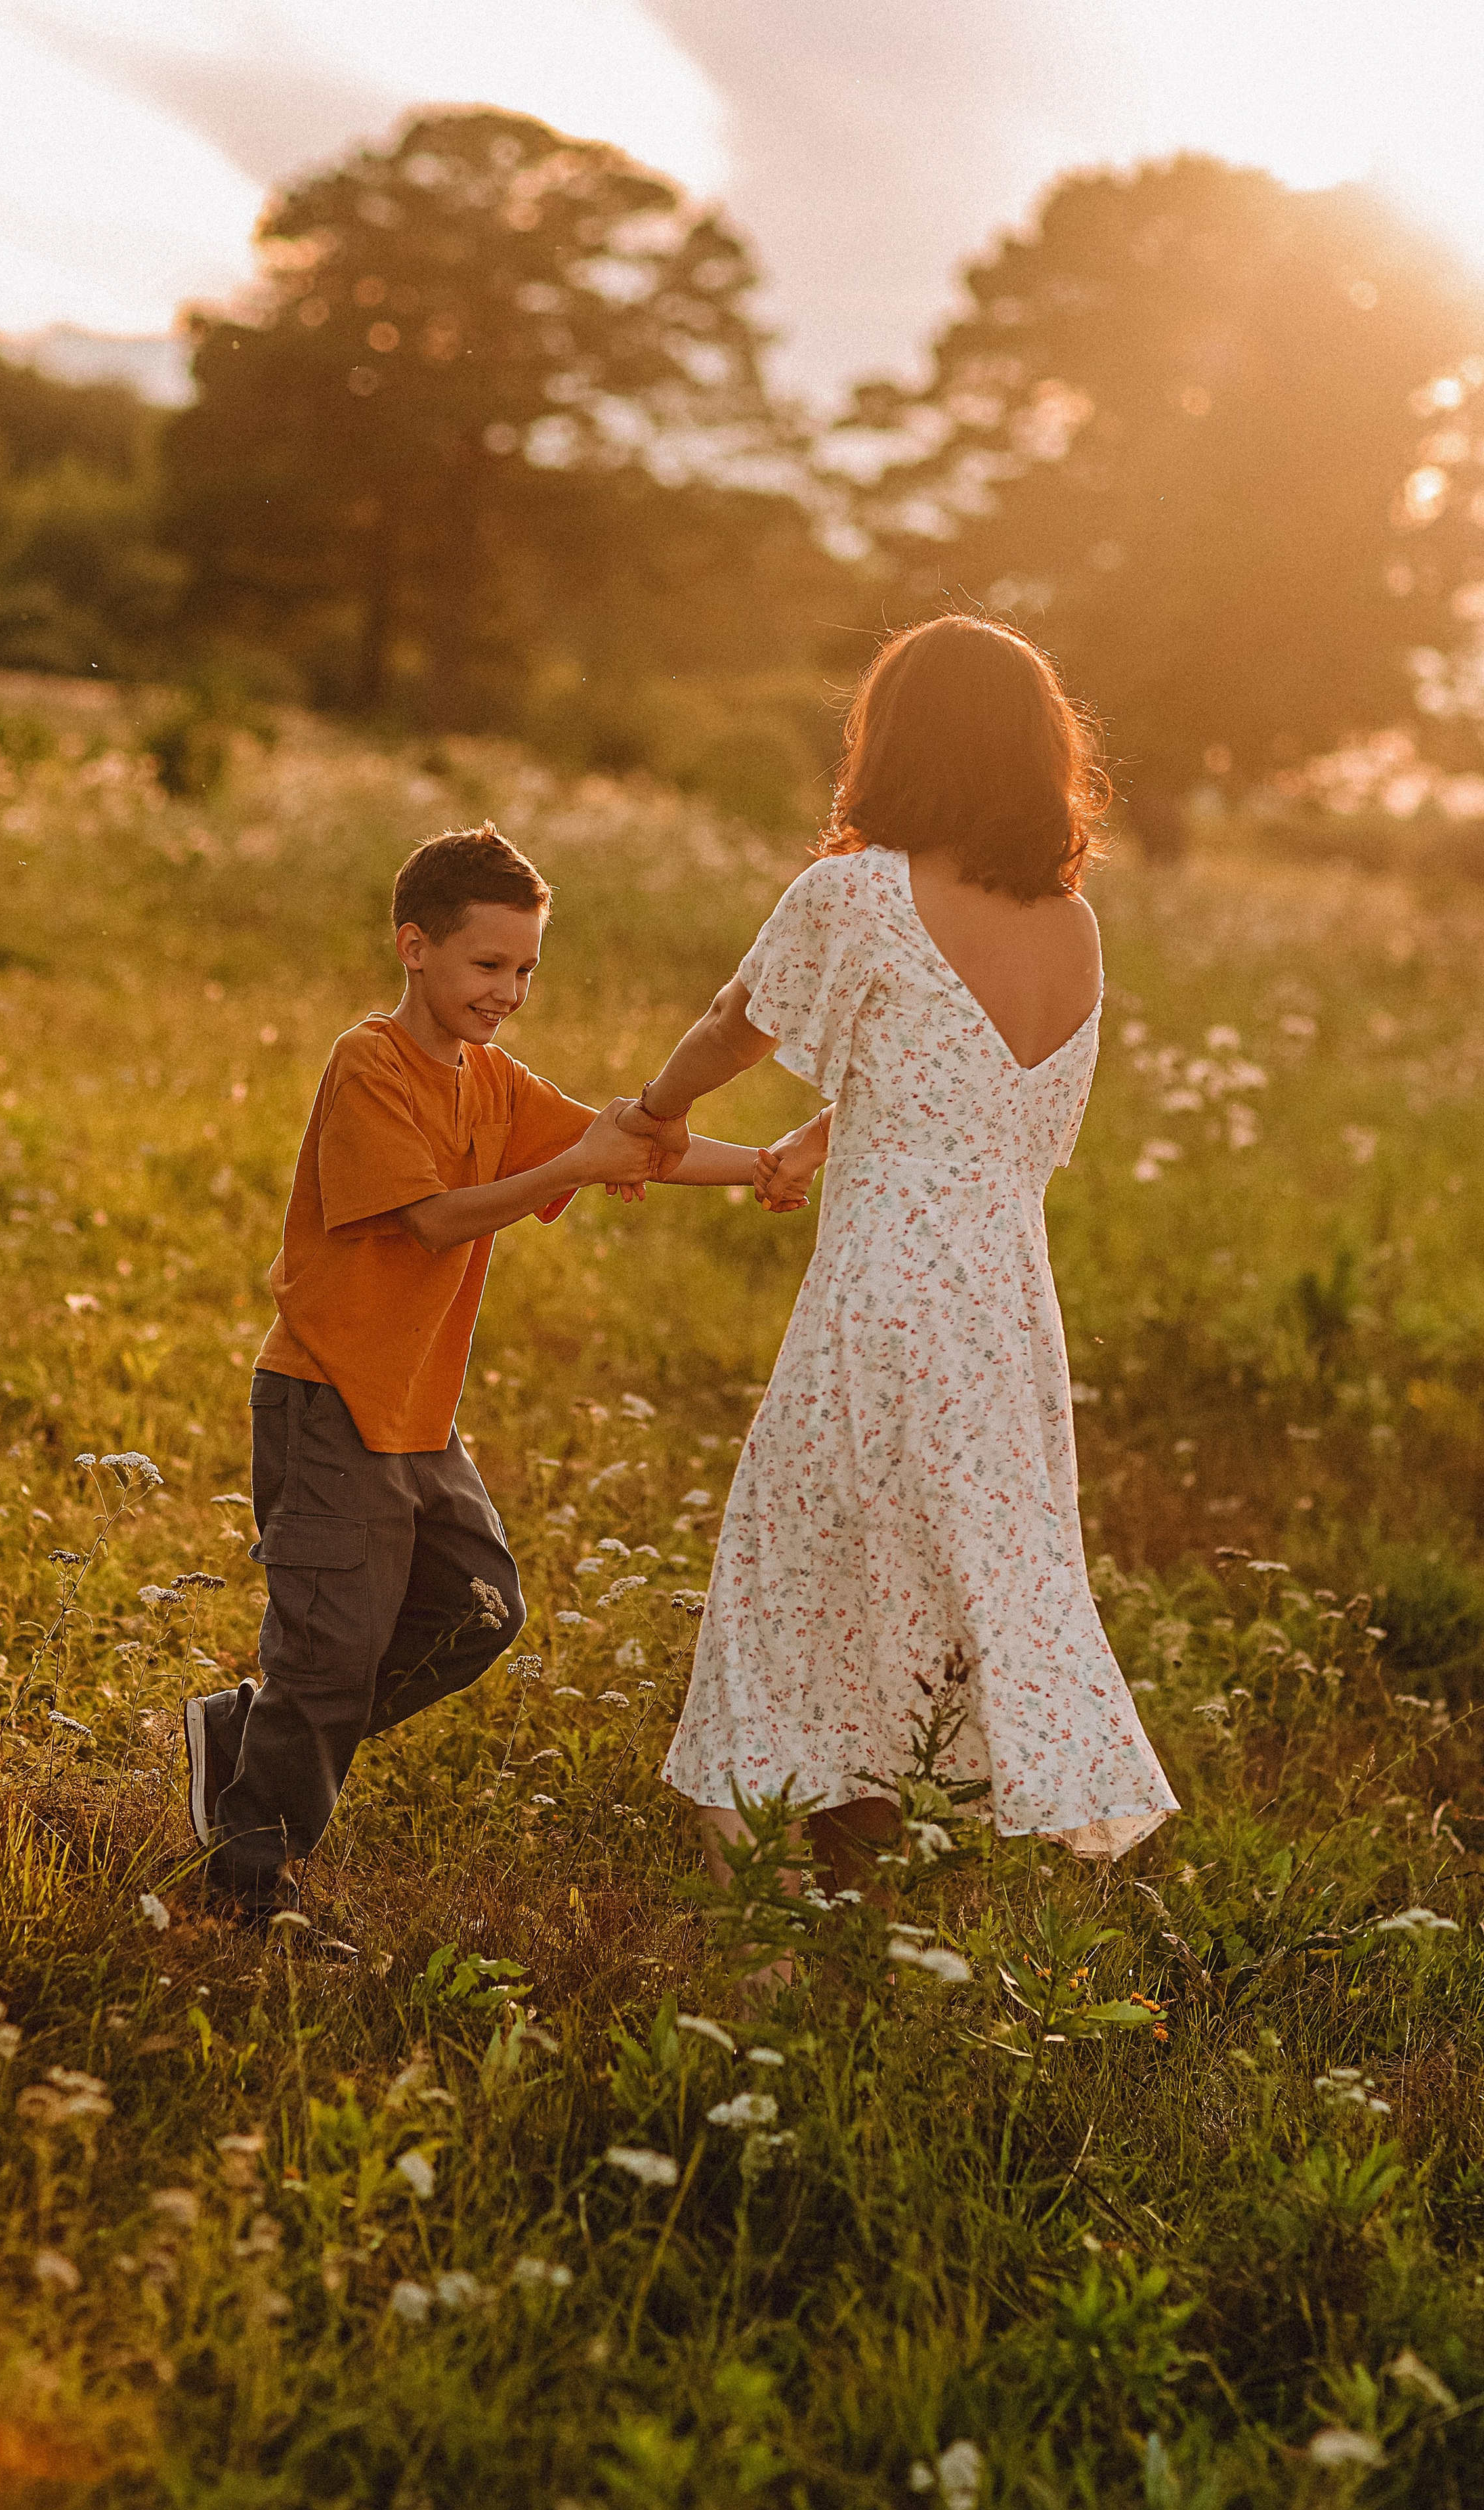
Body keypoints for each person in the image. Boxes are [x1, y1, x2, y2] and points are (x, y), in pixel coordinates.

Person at [616, 615, 1178, 1899]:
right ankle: (846, 1903)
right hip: (1003, 1319)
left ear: (897, 741)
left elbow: (732, 1022)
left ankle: (771, 1928)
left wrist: (655, 1113)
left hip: (881, 1305)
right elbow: (983, 1103)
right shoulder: (1073, 932)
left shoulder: (857, 894)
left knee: (787, 1582)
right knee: (902, 1606)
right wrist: (826, 1132)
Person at [186, 823, 761, 1925]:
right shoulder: (371, 1063)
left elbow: (629, 1135)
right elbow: (431, 1219)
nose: (510, 990)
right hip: (328, 1400)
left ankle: (253, 1741)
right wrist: (575, 1165)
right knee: (332, 1655)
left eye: (526, 970)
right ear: (414, 946)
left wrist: (766, 1166)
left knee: (479, 1609)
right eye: (488, 965)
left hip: (420, 1418)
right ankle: (245, 1890)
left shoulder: (492, 1081)